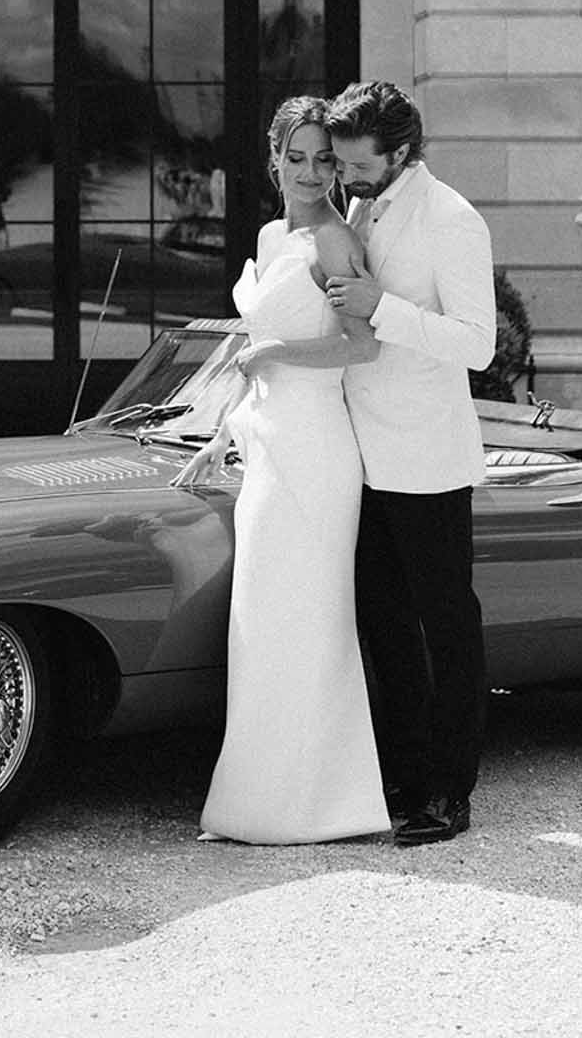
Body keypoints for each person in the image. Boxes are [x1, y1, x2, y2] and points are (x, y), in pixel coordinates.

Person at [174, 96, 390, 845]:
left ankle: (320, 804)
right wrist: (216, 433)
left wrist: (276, 357)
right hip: (265, 444)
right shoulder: (271, 235)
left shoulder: (334, 241)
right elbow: (251, 345)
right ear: (274, 160)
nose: (308, 172)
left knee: (308, 620)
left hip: (317, 450)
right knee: (262, 623)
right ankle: (257, 800)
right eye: (295, 157)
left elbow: (363, 346)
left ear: (338, 166)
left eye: (323, 159)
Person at [323, 79, 496, 848]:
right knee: (384, 624)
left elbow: (478, 343)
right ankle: (402, 774)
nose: (347, 179)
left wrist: (380, 310)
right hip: (356, 455)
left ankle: (450, 792)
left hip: (426, 455)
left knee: (445, 624)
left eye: (359, 164)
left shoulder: (453, 218)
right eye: (343, 165)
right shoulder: (361, 202)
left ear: (400, 152)